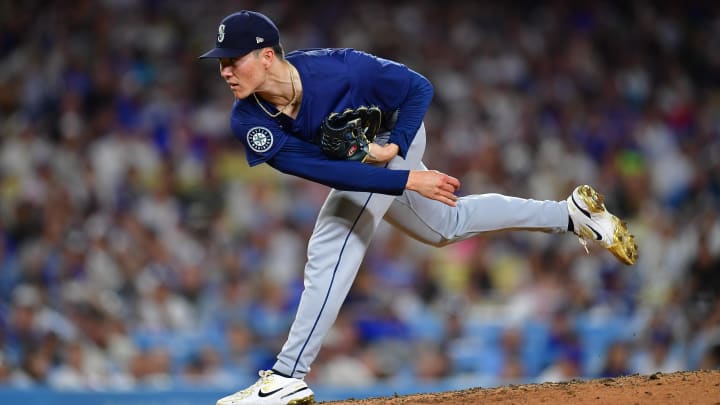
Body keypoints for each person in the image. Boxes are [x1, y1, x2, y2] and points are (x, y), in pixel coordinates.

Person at [198, 10, 638, 405]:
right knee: (445, 226)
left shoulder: (341, 68)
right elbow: (337, 174)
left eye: (233, 60)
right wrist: (405, 178)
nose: (225, 71)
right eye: (221, 62)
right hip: (363, 167)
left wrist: (397, 151)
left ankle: (287, 375)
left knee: (333, 239)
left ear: (269, 57)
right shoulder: (249, 122)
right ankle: (569, 215)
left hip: (395, 137)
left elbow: (417, 88)